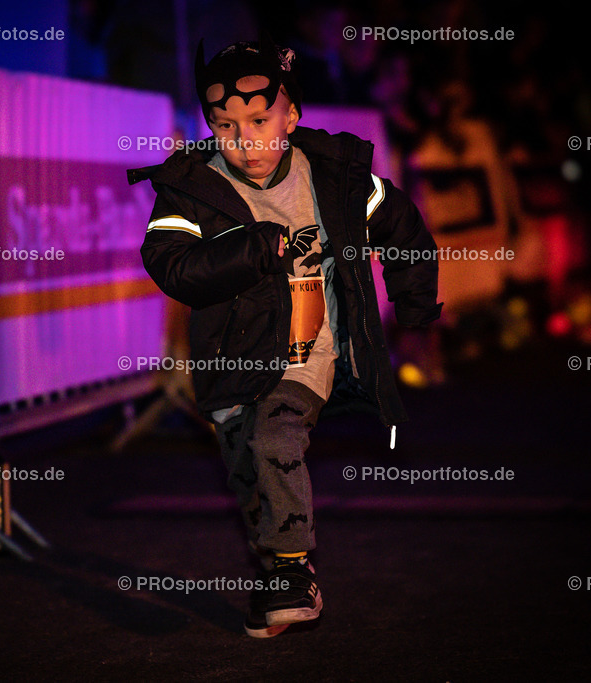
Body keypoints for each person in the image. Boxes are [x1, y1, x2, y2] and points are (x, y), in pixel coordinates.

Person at [127, 35, 441, 638]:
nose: (244, 140)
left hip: (308, 353)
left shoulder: (335, 177)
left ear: (291, 115)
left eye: (259, 120)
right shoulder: (190, 189)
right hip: (230, 357)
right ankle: (279, 571)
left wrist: (415, 303)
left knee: (275, 433)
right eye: (225, 125)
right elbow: (171, 267)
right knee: (250, 471)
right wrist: (251, 249)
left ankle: (293, 569)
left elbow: (400, 222)